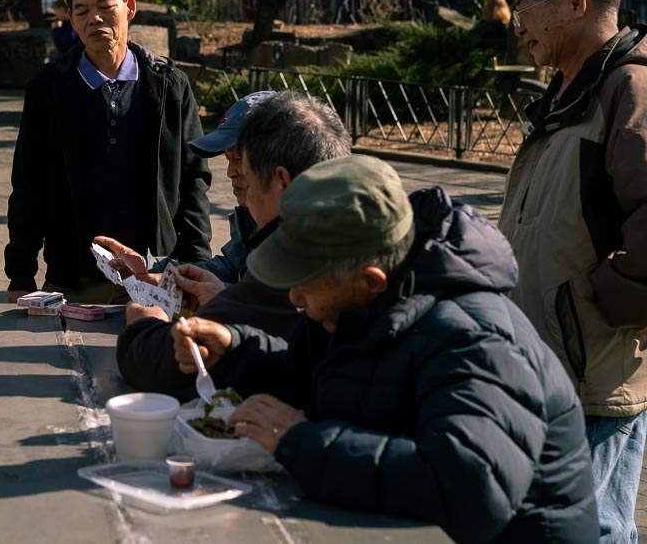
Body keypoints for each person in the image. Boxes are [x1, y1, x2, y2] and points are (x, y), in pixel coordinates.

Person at [174, 155, 598, 542]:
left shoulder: (474, 338)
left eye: (304, 281)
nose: (294, 298)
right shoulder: (363, 305)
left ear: (371, 279)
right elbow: (329, 378)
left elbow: (469, 489)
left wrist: (300, 441)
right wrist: (235, 349)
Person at [497, 0, 647, 543]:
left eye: (523, 6)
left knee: (596, 533)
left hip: (593, 378)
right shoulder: (567, 91)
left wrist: (604, 301)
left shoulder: (629, 91)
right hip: (547, 365)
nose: (516, 25)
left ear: (574, 2)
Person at [116, 91, 352, 398]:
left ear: (281, 179)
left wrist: (144, 328)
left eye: (243, 162)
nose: (232, 173)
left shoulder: (301, 250)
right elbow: (292, 354)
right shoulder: (336, 220)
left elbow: (163, 364)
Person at [5, 0, 212, 304]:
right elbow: (28, 185)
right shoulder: (50, 87)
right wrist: (21, 275)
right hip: (72, 273)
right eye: (82, 11)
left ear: (129, 7)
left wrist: (196, 264)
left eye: (105, 8)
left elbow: (193, 180)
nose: (95, 20)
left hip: (156, 271)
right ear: (71, 19)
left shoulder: (168, 85)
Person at [95, 91, 275, 288]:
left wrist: (219, 296)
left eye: (239, 158)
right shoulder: (252, 218)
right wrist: (148, 267)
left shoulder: (302, 231)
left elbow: (278, 309)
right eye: (228, 158)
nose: (230, 172)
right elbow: (229, 268)